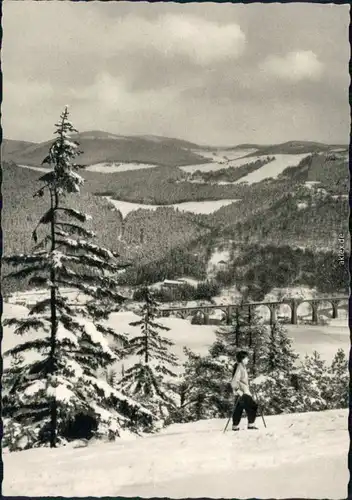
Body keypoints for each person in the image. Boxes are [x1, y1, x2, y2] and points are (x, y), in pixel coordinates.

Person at [230, 350, 258, 431]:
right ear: (242, 359)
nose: (248, 360)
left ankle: (235, 426)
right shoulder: (240, 367)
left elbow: (241, 379)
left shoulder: (241, 366)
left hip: (242, 391)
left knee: (238, 408)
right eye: (246, 358)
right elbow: (234, 381)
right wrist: (238, 390)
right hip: (242, 392)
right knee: (253, 406)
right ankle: (251, 425)